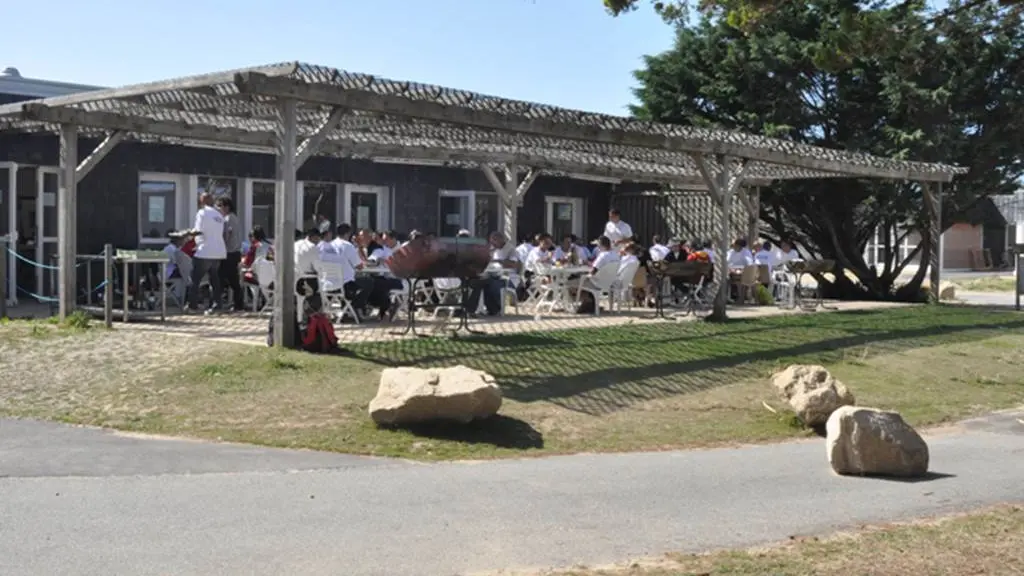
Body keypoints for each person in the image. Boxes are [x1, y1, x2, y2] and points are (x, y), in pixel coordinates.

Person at [187, 192, 226, 314]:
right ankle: (217, 305)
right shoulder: (219, 215)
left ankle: (192, 306)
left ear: (202, 201)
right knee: (214, 280)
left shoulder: (202, 213)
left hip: (205, 251)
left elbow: (198, 231)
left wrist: (187, 234)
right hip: (218, 251)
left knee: (195, 279)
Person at [469, 232, 518, 317]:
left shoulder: (511, 249)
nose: (492, 244)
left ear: (501, 240)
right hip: (492, 274)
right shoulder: (493, 249)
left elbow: (513, 264)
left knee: (491, 284)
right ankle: (485, 309)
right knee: (480, 282)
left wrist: (499, 261)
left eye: (494, 241)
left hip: (508, 277)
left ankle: (494, 309)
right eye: (491, 241)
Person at [215, 196, 244, 311]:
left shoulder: (227, 219)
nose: (218, 209)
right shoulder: (235, 218)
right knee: (233, 280)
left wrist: (220, 244)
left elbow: (227, 235)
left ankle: (218, 303)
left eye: (220, 206)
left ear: (226, 207)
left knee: (221, 279)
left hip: (229, 253)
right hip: (235, 252)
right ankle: (238, 304)